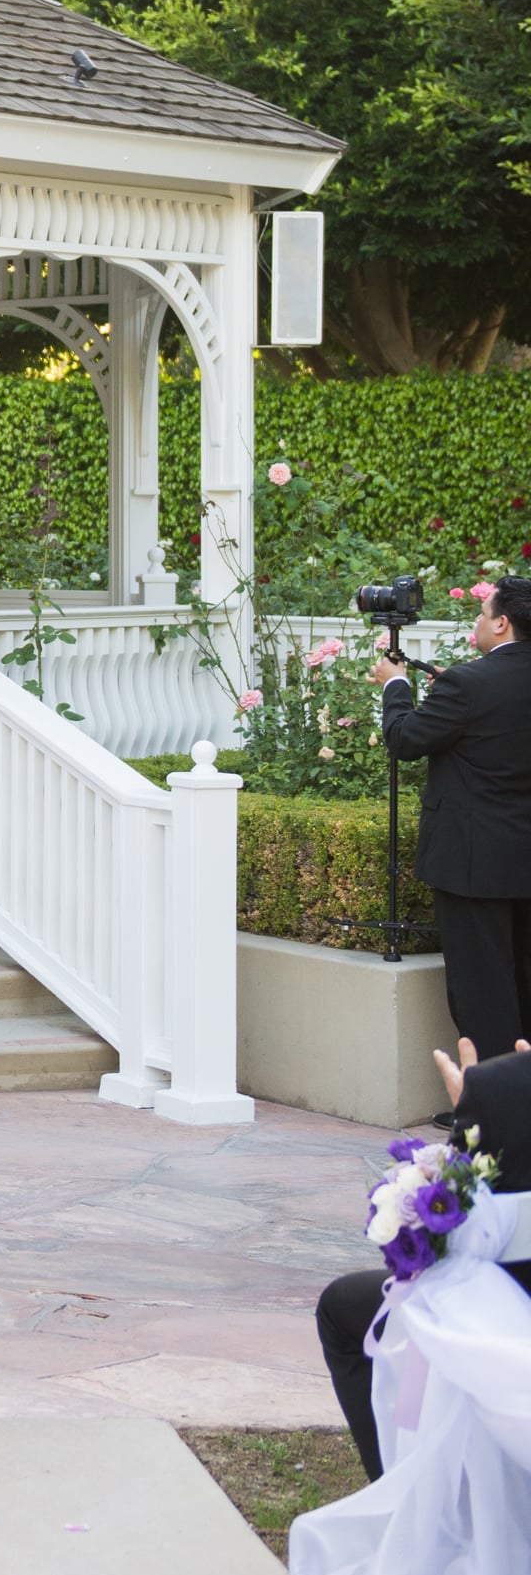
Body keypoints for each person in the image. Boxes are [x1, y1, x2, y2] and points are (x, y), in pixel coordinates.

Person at [314, 1028, 531, 1481]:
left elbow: (468, 1233)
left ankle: (405, 1497)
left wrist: (480, 1123)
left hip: (512, 1343)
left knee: (343, 1308)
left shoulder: (503, 1087)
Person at [370, 572, 531, 1059]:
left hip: (472, 863)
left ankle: (488, 1108)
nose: (477, 624)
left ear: (501, 623)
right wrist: (452, 691)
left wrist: (396, 686)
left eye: (482, 615)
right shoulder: (466, 684)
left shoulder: (467, 683)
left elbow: (405, 741)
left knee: (482, 989)